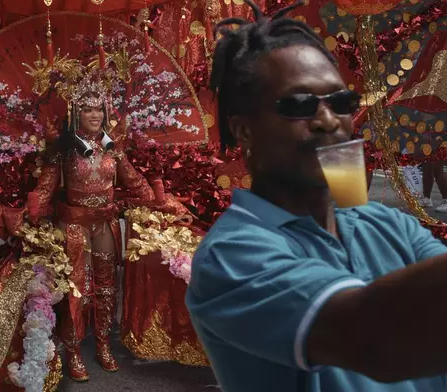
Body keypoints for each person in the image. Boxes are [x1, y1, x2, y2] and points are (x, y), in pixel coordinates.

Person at [185, 1, 447, 391]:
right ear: (243, 132)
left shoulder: (390, 225)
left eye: (340, 103)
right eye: (299, 106)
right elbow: (374, 341)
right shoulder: (231, 256)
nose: (327, 121)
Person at [30, 77, 187, 382]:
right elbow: (46, 187)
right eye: (88, 110)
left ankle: (103, 344)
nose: (95, 116)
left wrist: (159, 202)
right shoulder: (63, 149)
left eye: (99, 110)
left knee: (106, 287)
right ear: (77, 113)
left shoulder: (112, 150)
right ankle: (74, 350)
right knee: (77, 290)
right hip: (74, 226)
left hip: (105, 224)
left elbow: (135, 181)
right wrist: (32, 215)